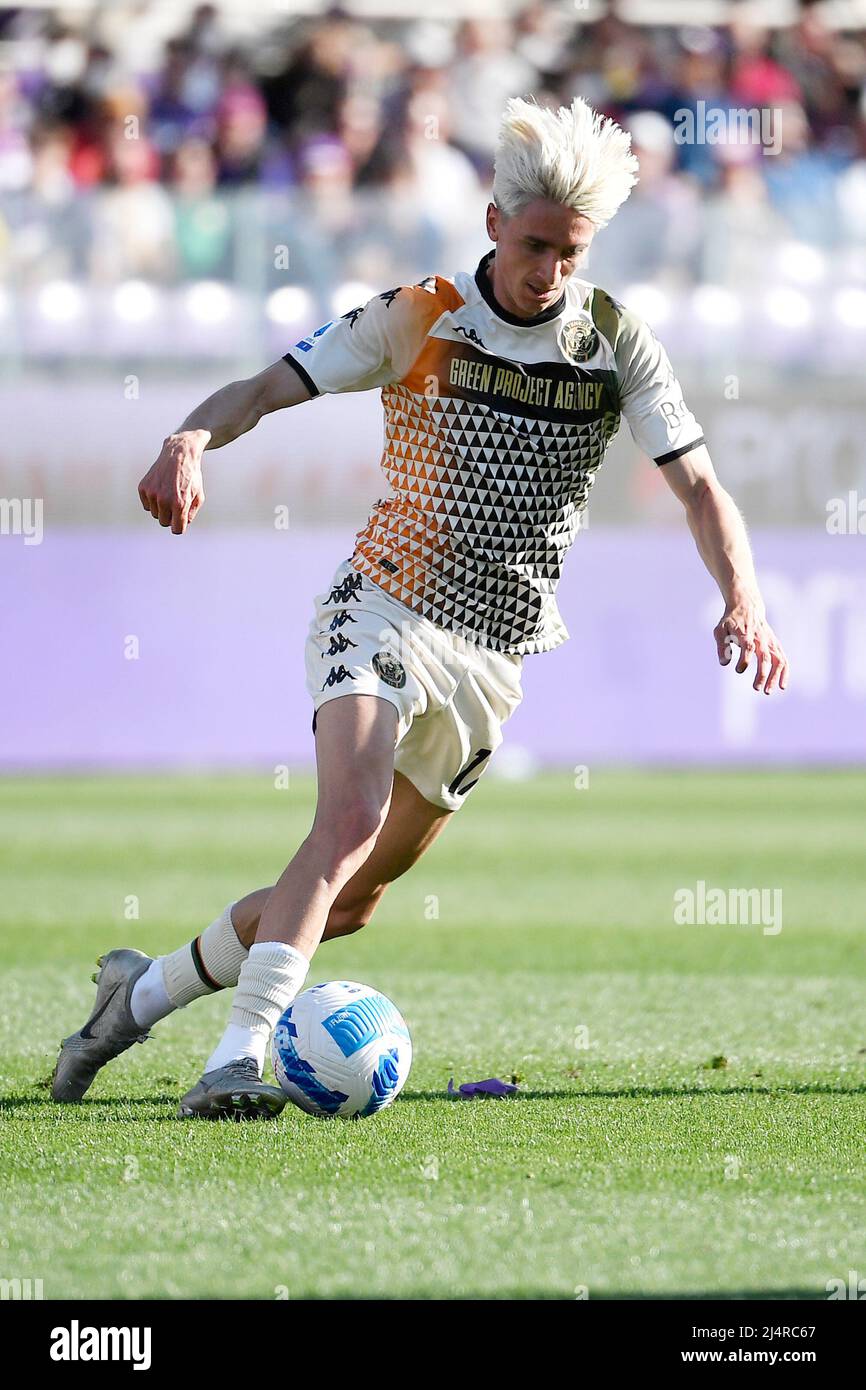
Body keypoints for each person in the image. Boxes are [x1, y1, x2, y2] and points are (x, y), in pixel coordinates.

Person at [51, 96, 789, 1119]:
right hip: (384, 601)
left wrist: (741, 597)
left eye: (570, 254)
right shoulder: (420, 312)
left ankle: (130, 999)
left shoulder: (614, 340)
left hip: (495, 653)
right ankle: (233, 1061)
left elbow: (700, 486)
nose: (549, 272)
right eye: (534, 246)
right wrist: (187, 438)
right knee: (345, 816)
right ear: (493, 223)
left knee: (346, 901)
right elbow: (263, 388)